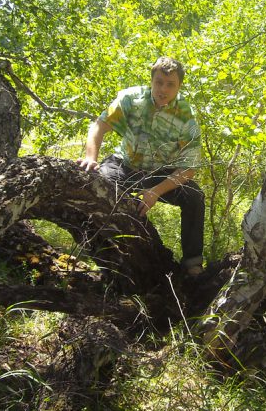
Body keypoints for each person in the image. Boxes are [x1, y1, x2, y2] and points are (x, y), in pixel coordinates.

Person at [78, 56, 205, 274]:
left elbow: (189, 167)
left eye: (170, 84)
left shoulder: (186, 116)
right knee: (101, 188)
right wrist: (91, 157)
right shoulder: (130, 99)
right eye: (158, 82)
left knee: (194, 196)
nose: (163, 89)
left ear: (179, 86)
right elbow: (99, 126)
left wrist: (155, 192)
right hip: (124, 164)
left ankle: (192, 264)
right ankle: (105, 255)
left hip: (158, 173)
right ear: (151, 81)